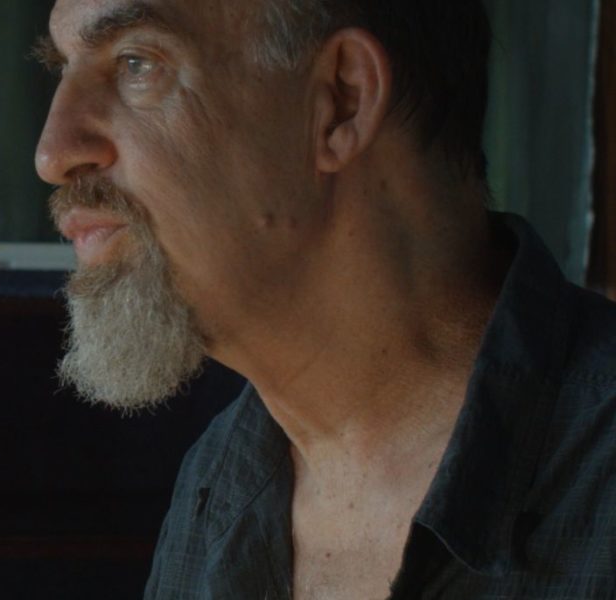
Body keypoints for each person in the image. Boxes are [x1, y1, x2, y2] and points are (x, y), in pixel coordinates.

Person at [33, 0, 616, 597]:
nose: (51, 155)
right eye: (62, 70)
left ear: (342, 100)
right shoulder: (220, 481)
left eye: (136, 63)